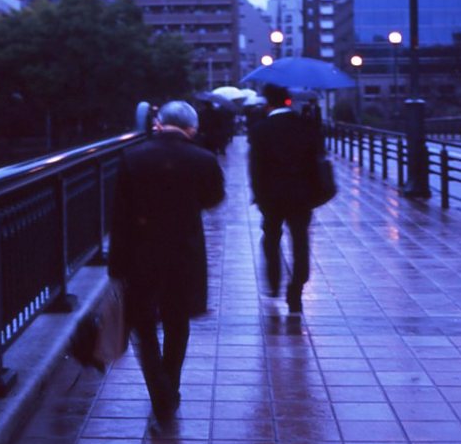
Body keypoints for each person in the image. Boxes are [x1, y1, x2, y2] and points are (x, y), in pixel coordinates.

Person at [109, 100, 225, 424]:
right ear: (192, 128)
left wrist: (116, 266)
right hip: (184, 249)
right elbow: (214, 198)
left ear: (159, 123)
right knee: (177, 321)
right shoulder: (203, 159)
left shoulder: (132, 157)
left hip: (141, 251)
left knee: (143, 325)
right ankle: (170, 385)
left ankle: (159, 390)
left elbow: (120, 215)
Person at [248, 83, 323, 314]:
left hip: (271, 196)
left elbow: (256, 167)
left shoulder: (261, 129)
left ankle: (273, 282)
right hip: (301, 195)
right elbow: (317, 160)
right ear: (288, 101)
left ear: (268, 103)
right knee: (300, 241)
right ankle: (296, 288)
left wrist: (259, 195)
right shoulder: (306, 126)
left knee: (271, 237)